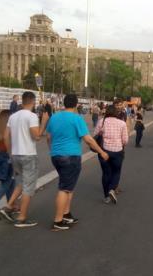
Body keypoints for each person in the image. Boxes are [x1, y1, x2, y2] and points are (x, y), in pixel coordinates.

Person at [46, 94, 109, 231]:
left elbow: (48, 137)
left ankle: (66, 214)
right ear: (76, 105)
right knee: (64, 188)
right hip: (71, 156)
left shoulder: (54, 117)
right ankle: (58, 221)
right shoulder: (76, 118)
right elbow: (88, 139)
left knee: (69, 185)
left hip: (56, 156)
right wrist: (101, 152)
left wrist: (53, 150)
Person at [0, 92, 49, 228]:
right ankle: (22, 218)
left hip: (15, 154)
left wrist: (11, 152)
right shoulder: (32, 116)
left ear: (22, 101)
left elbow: (5, 136)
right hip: (28, 154)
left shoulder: (13, 116)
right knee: (28, 187)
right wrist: (44, 122)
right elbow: (37, 136)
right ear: (33, 102)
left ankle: (8, 206)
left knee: (20, 183)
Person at [94, 105, 128, 204]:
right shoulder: (122, 123)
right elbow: (125, 140)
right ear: (116, 113)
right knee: (116, 171)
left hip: (104, 151)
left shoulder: (102, 121)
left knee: (106, 173)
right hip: (117, 151)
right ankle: (112, 189)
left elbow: (95, 135)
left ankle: (106, 197)